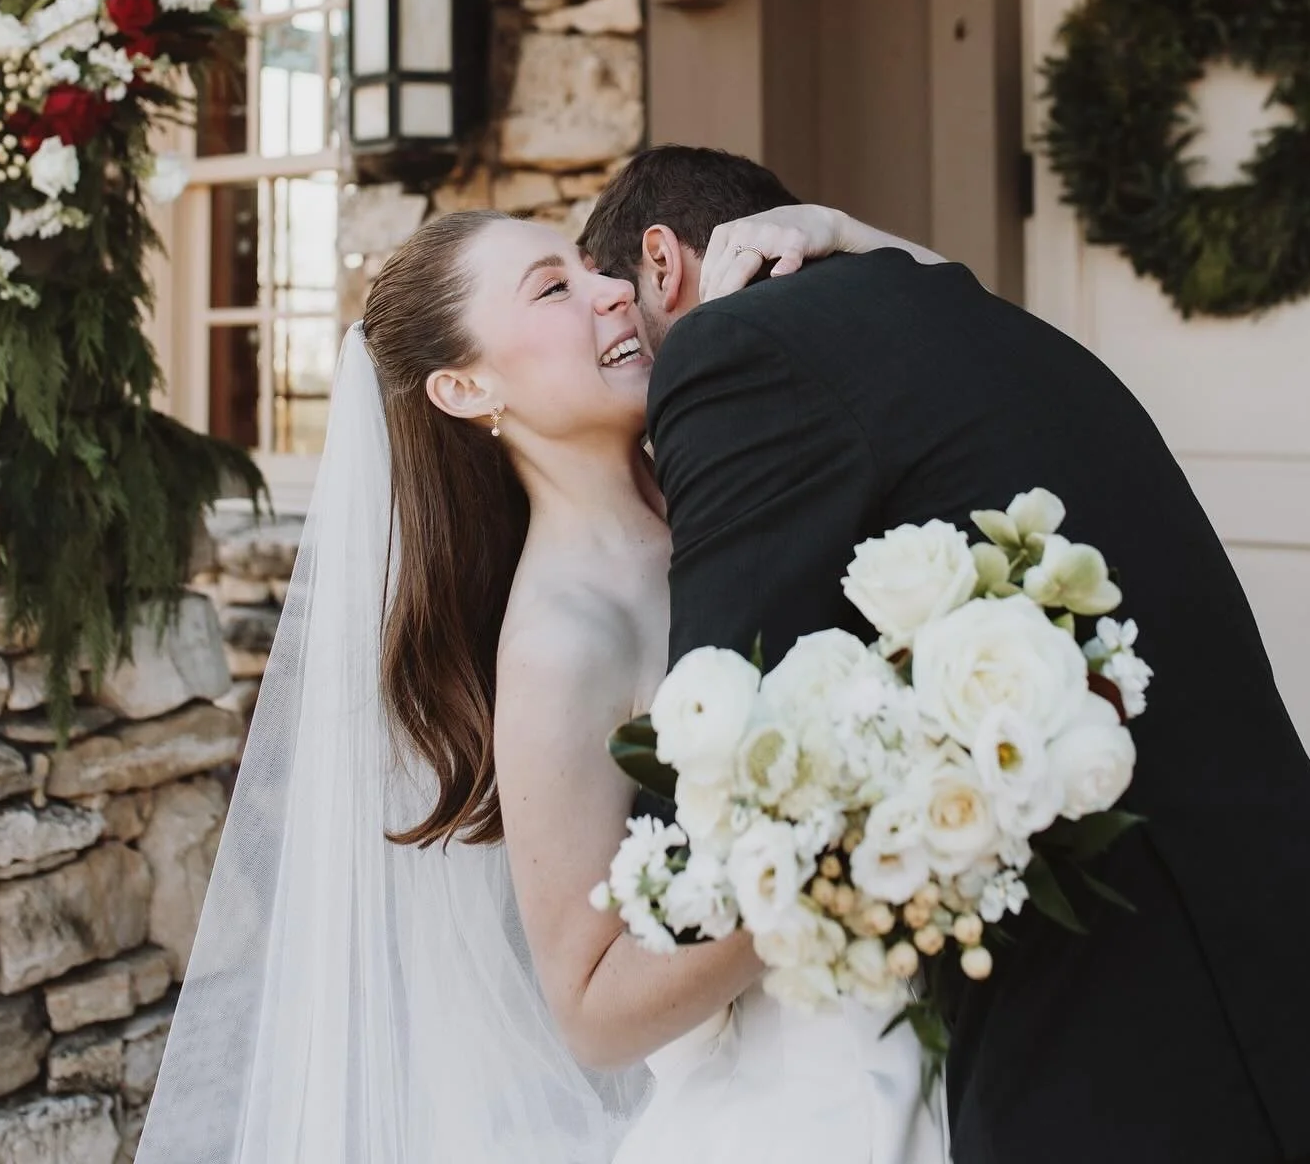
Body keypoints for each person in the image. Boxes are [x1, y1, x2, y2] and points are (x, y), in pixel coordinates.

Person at [134, 189, 946, 1164]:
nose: (613, 292)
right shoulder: (560, 638)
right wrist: (838, 860)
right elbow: (592, 1012)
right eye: (554, 289)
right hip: (811, 1113)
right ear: (466, 389)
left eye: (591, 269)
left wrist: (839, 232)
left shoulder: (712, 477)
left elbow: (958, 333)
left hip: (940, 1028)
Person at [577, 145, 1310, 1164]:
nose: (611, 339)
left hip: (1131, 1015)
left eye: (611, 304)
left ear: (662, 263)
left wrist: (651, 937)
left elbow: (722, 712)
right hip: (1276, 907)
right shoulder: (979, 317)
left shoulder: (730, 347)